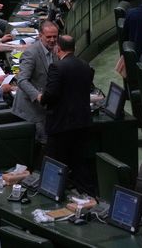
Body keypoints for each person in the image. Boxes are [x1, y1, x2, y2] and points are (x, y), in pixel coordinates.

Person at [40, 35, 95, 193]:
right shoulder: (85, 65)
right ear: (75, 48)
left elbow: (51, 95)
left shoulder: (57, 67)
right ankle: (88, 195)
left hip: (61, 124)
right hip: (82, 122)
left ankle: (54, 193)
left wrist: (41, 97)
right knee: (79, 162)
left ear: (58, 48)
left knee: (55, 163)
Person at [12, 20, 59, 141]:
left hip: (45, 107)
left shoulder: (55, 50)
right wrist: (38, 96)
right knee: (42, 142)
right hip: (31, 108)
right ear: (40, 36)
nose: (52, 40)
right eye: (49, 37)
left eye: (55, 36)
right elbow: (22, 80)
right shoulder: (31, 53)